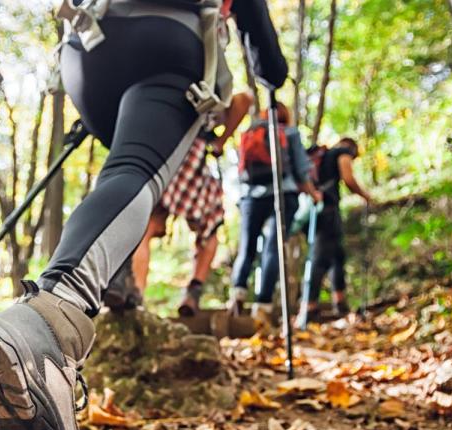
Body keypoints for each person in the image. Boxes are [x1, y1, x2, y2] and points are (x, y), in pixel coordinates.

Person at [0, 0, 288, 430]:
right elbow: (266, 59)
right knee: (135, 173)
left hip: (84, 52)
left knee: (122, 173)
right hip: (169, 47)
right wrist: (272, 75)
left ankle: (92, 313)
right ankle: (51, 325)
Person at [123, 92, 254, 316]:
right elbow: (246, 99)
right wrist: (220, 141)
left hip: (160, 156)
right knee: (209, 228)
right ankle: (193, 291)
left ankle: (137, 295)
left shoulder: (162, 93)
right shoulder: (207, 89)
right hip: (192, 158)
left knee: (146, 228)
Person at [228, 103, 320, 326]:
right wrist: (313, 193)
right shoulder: (290, 133)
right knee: (273, 247)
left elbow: (239, 172)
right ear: (285, 116)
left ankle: (237, 294)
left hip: (251, 196)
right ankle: (262, 305)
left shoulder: (250, 133)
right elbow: (301, 168)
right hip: (283, 194)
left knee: (247, 247)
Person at [303, 137, 372, 318]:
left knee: (336, 255)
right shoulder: (342, 152)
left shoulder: (322, 155)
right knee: (320, 257)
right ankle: (309, 307)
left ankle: (340, 302)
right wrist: (365, 196)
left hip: (314, 210)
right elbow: (348, 178)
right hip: (327, 209)